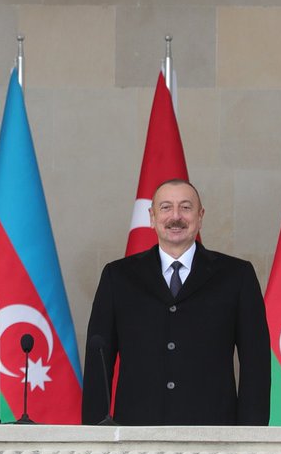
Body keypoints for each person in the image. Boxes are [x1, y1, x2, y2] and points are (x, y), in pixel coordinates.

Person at [82, 178, 270, 425]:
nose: (176, 216)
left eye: (186, 207)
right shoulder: (118, 277)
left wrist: (252, 435)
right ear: (152, 217)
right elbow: (98, 362)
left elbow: (256, 363)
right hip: (135, 431)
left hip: (214, 431)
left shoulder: (237, 275)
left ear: (200, 217)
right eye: (166, 207)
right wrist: (95, 433)